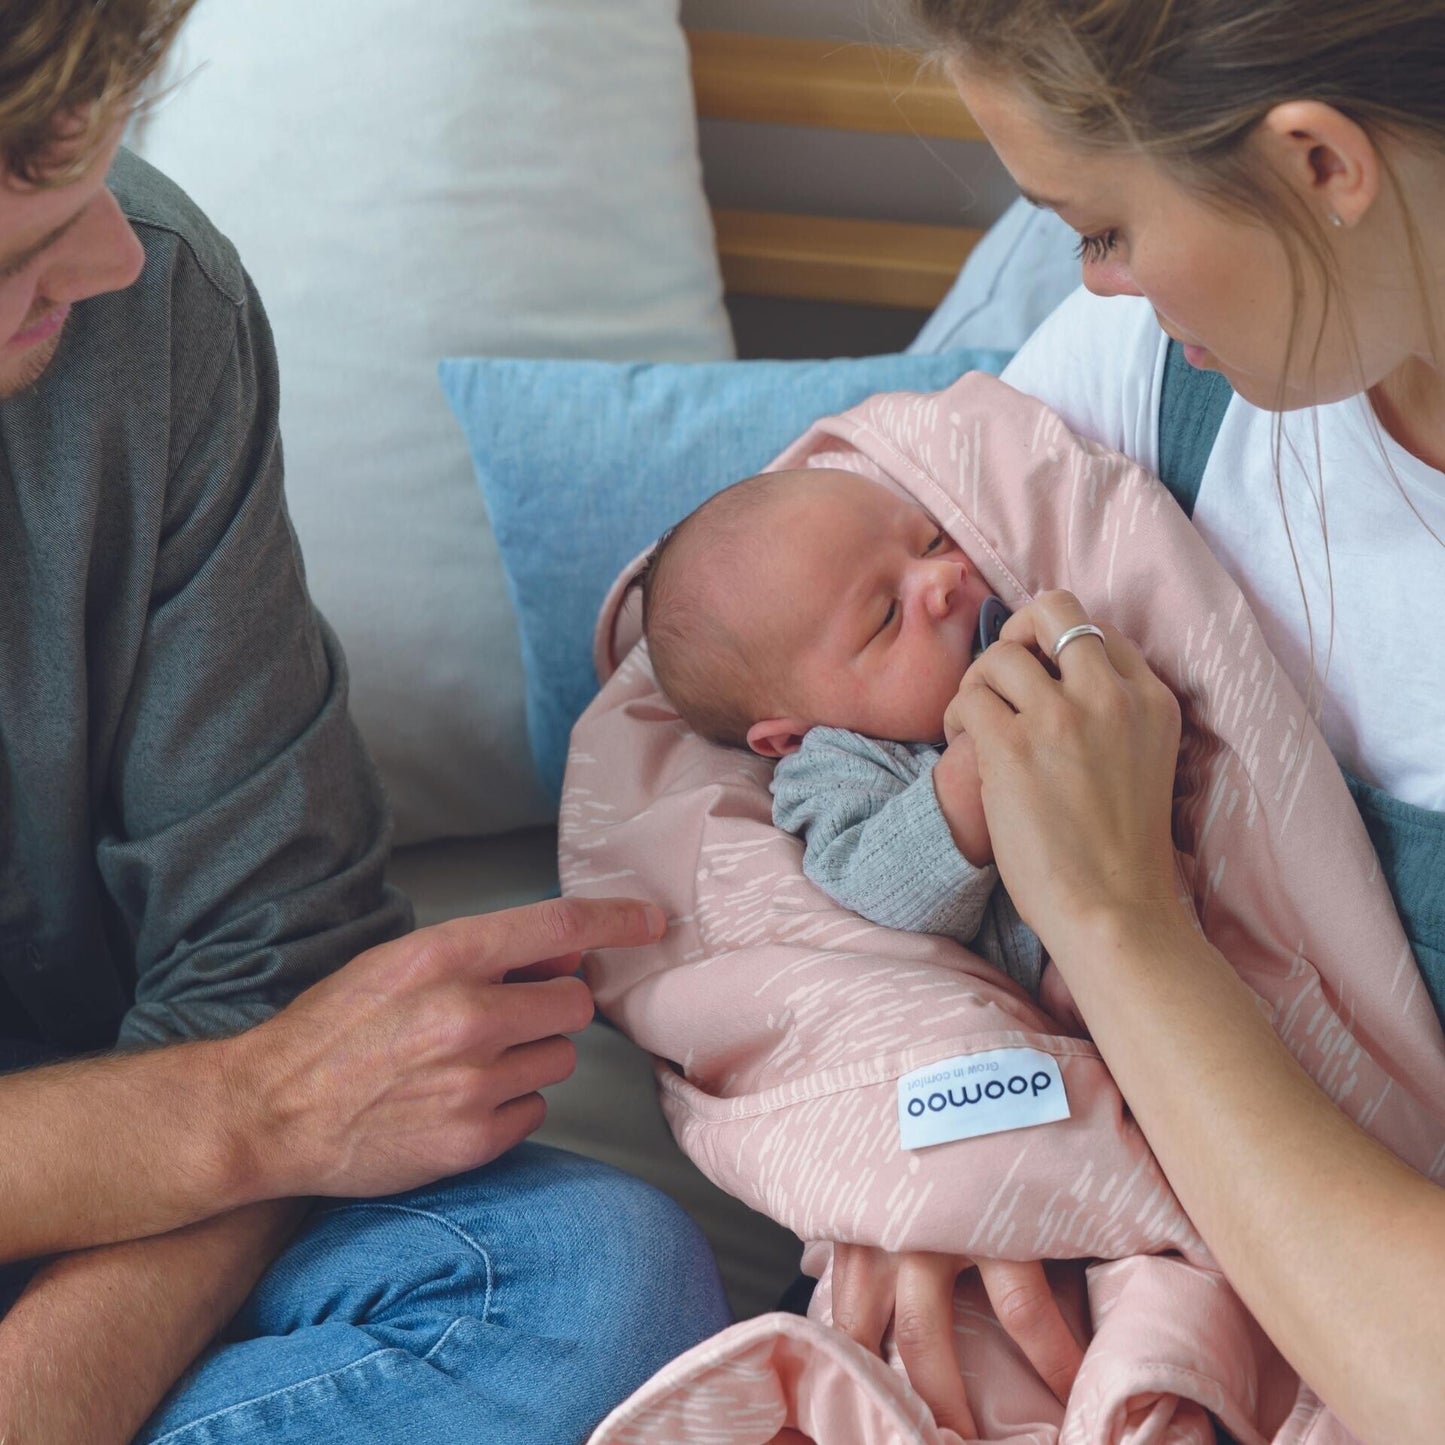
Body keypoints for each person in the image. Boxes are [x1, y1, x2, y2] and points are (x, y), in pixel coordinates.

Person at [0, 6, 728, 1444]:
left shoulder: (148, 308)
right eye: (18, 246)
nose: (111, 257)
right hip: (181, 1135)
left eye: (91, 183)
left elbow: (269, 953)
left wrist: (236, 1122)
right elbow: (274, 1088)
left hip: (125, 1189)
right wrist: (248, 1116)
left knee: (599, 1283)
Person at [827, 2, 1444, 1441]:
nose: (1090, 286)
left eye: (1101, 229)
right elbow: (708, 719)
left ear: (1317, 166)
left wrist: (1117, 925)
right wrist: (944, 1123)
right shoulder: (1168, 382)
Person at [638, 467, 1054, 1007]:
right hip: (1062, 971)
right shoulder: (835, 765)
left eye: (930, 540)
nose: (944, 575)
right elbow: (873, 886)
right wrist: (972, 769)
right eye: (885, 616)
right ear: (789, 738)